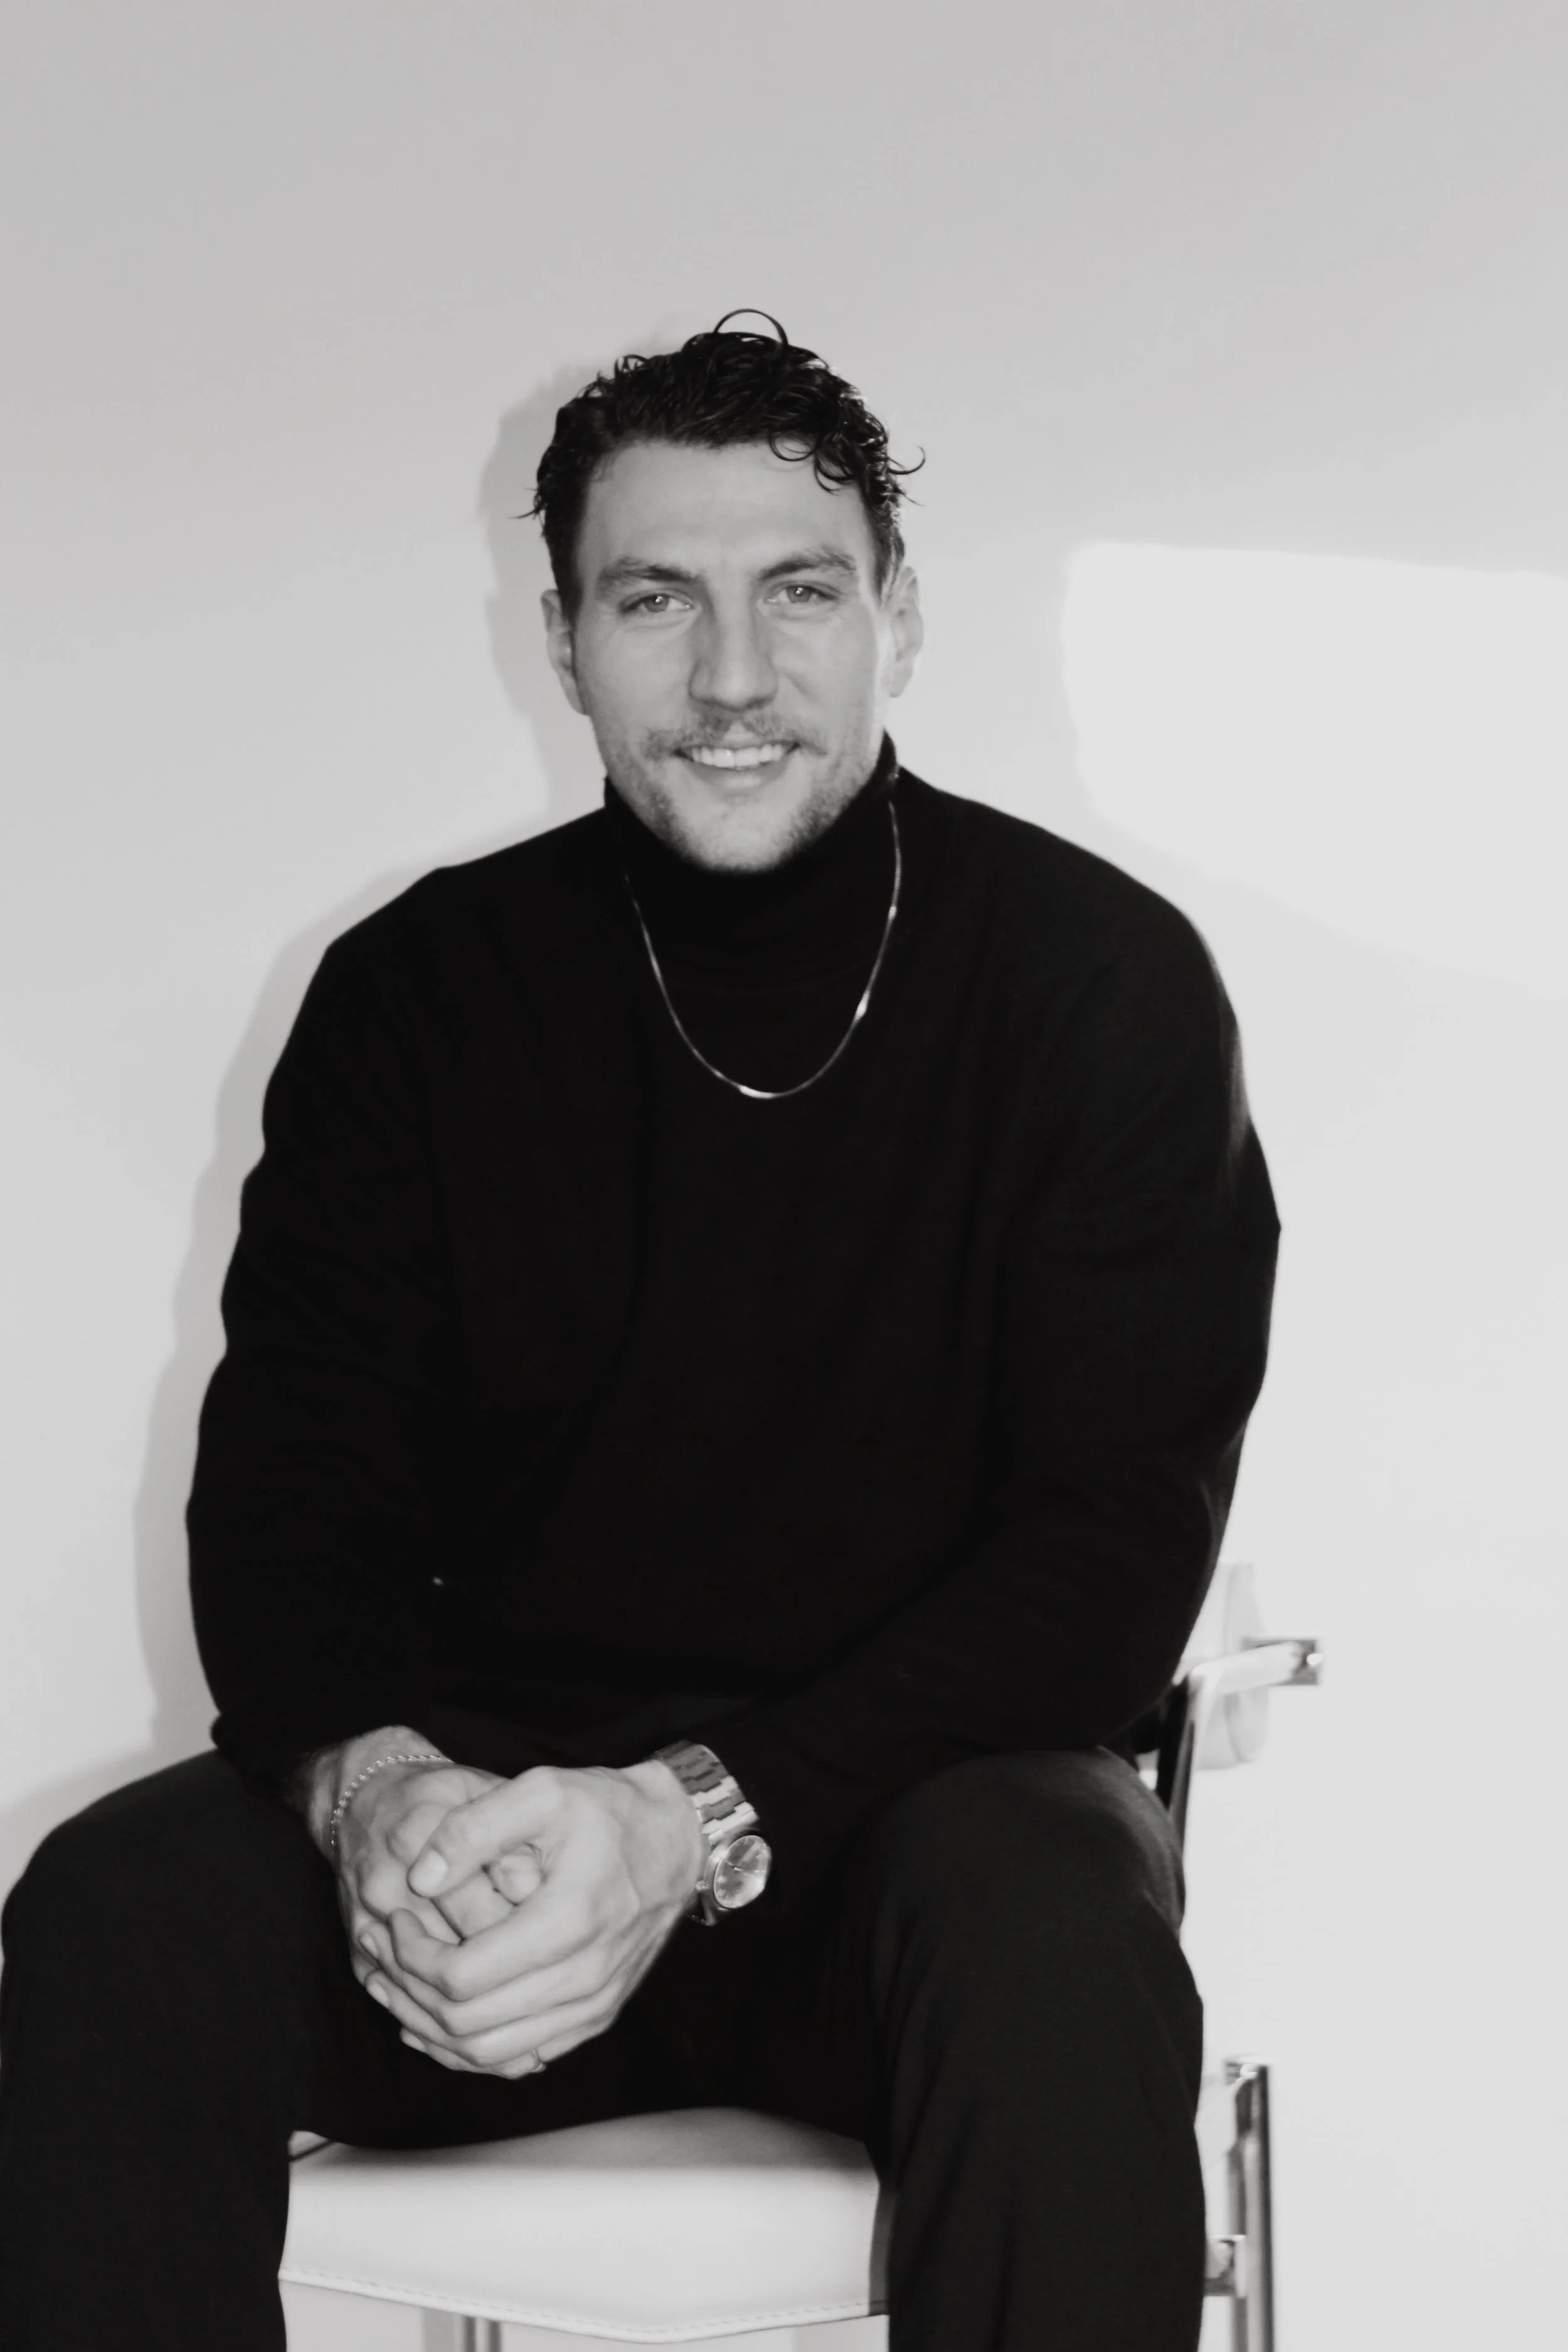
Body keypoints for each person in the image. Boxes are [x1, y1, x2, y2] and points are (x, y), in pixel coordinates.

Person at [0, 312, 1279, 2351]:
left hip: (904, 1848)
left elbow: (1107, 1559)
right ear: (563, 635)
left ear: (898, 616)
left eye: (799, 591)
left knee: (1055, 1912)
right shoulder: (420, 994)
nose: (734, 677)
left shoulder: (1092, 986)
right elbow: (290, 1495)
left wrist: (690, 1817)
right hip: (486, 1869)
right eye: (654, 599)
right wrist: (378, 1794)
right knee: (120, 1907)